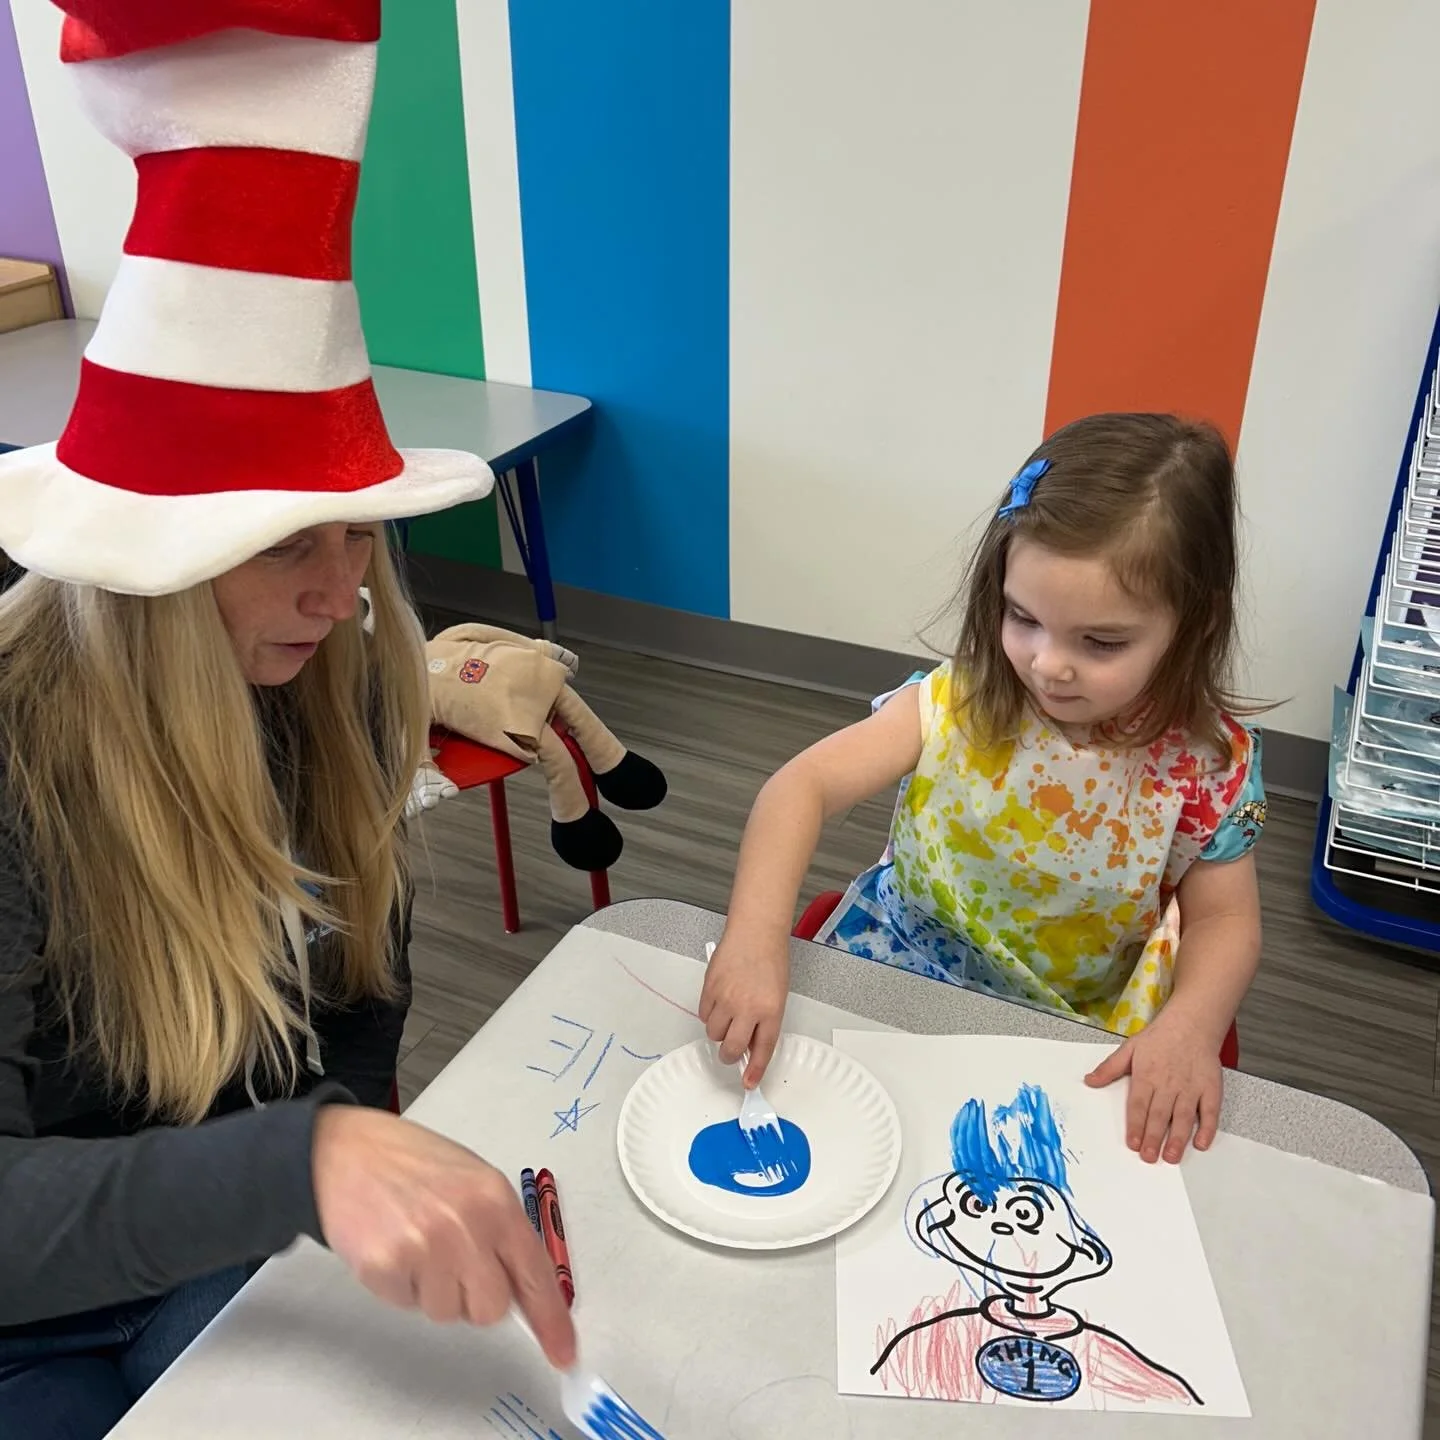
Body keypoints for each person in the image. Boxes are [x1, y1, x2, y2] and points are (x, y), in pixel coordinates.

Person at [0, 5, 573, 1436]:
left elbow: (360, 990)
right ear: (158, 560)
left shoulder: (333, 687)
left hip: (217, 1244)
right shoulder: (17, 767)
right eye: (287, 544)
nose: (340, 595)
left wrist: (350, 1133)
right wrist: (304, 1164)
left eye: (355, 540)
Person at [701, 413, 1266, 1167]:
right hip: (897, 968)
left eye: (1101, 642)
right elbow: (799, 788)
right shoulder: (958, 699)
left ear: (1193, 625)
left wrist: (1193, 1024)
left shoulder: (1205, 764)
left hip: (1070, 1023)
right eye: (1023, 617)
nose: (1047, 665)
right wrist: (752, 937)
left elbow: (1226, 918)